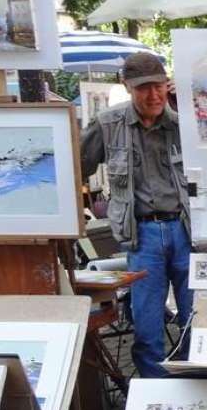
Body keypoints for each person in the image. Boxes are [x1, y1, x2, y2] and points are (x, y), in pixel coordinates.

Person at [80, 52, 192, 377]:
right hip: (141, 235)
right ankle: (154, 395)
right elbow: (77, 167)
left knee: (195, 317)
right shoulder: (108, 123)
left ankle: (193, 384)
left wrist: (184, 102)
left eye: (158, 85)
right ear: (127, 87)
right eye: (144, 88)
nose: (153, 95)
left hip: (185, 230)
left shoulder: (182, 122)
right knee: (147, 323)